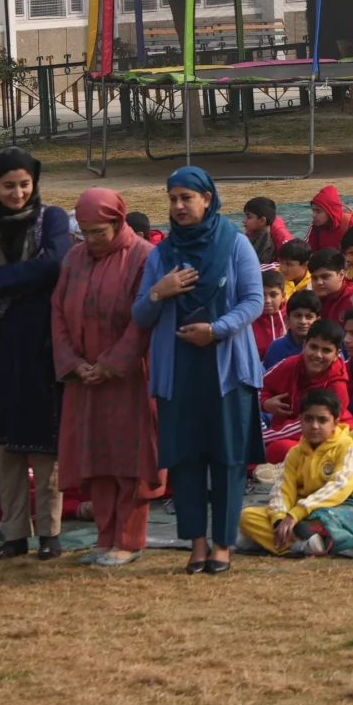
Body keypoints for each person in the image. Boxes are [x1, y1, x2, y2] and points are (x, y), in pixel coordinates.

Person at [131, 164, 265, 575]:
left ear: (207, 199)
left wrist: (216, 330)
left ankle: (222, 545)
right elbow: (140, 314)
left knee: (227, 459)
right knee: (185, 460)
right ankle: (197, 544)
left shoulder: (235, 244)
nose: (178, 206)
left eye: (186, 197)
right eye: (172, 199)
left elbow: (253, 300)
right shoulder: (161, 254)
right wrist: (160, 292)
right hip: (178, 371)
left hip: (227, 370)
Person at [0, 147, 72, 560]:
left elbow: (55, 263)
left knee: (44, 443)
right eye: (8, 185)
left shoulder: (52, 219)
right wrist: (22, 282)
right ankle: (15, 535)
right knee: (2, 447)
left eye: (25, 184)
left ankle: (50, 535)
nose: (18, 193)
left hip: (42, 346)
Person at [51, 187, 159, 567]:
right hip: (85, 379)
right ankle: (104, 536)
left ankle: (128, 540)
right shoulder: (74, 259)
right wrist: (73, 363)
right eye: (84, 231)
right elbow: (58, 312)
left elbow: (143, 320)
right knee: (94, 458)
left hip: (129, 378)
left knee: (130, 460)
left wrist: (111, 363)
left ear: (118, 221)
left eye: (99, 231)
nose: (91, 239)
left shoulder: (144, 257)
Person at [240, 387, 353, 557]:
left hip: (341, 510)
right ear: (300, 420)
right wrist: (279, 519)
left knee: (323, 519)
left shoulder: (347, 448)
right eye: (308, 419)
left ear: (335, 423)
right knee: (247, 516)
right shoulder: (295, 453)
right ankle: (300, 545)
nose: (314, 426)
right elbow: (283, 489)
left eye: (322, 420)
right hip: (300, 513)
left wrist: (296, 514)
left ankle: (300, 539)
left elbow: (338, 488)